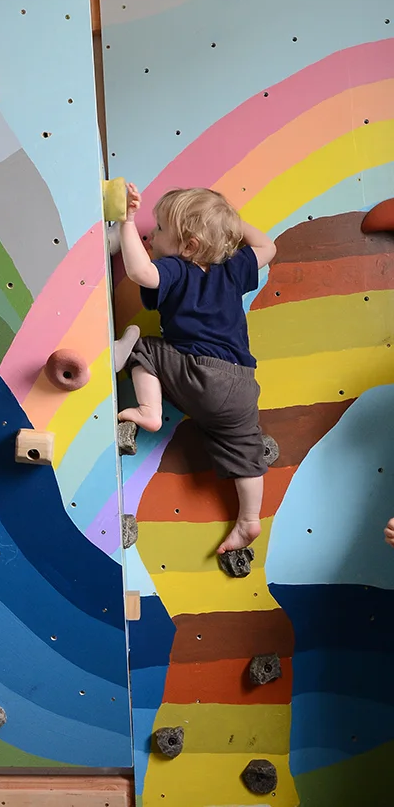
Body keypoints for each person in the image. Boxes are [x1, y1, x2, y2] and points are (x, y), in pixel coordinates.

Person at [111, 183, 276, 554]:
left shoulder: (176, 269)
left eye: (159, 230)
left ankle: (149, 411)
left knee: (145, 347)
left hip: (201, 373)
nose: (150, 235)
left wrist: (126, 221)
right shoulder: (233, 269)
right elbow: (269, 247)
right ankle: (249, 520)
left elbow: (141, 272)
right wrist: (230, 222)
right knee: (245, 452)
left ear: (190, 246)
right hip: (242, 382)